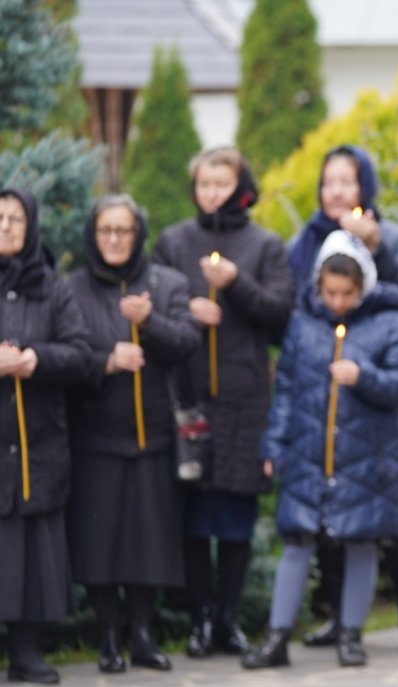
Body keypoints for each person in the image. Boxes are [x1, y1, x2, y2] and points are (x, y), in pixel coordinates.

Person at [245, 232, 398, 669]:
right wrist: (275, 444)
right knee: (297, 539)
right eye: (331, 293)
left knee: (361, 541)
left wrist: (364, 376)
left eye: (349, 293)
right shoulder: (303, 324)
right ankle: (278, 636)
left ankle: (351, 634)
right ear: (318, 286)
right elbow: (284, 388)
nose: (339, 302)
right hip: (308, 452)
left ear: (365, 287)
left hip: (368, 455)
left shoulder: (392, 323)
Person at [287, 145, 398, 654]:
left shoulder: (395, 236)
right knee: (329, 515)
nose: (337, 192)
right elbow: (297, 310)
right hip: (323, 395)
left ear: (364, 188)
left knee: (393, 513)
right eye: (329, 183)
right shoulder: (305, 242)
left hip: (378, 396)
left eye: (347, 182)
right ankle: (335, 615)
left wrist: (378, 247)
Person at [153, 145, 295, 658]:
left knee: (235, 511)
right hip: (187, 395)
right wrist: (189, 307)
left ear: (240, 186)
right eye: (204, 183)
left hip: (243, 396)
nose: (212, 192)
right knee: (193, 512)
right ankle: (198, 620)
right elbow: (151, 309)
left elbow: (281, 316)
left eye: (222, 183)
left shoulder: (264, 244)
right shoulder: (173, 242)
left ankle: (229, 621)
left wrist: (235, 284)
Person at [67, 195, 201, 674]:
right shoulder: (74, 289)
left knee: (150, 539)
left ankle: (143, 634)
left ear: (139, 234)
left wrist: (149, 324)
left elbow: (187, 341)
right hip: (97, 436)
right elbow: (66, 355)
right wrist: (107, 361)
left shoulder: (168, 284)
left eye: (124, 231)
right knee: (99, 539)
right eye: (106, 231)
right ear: (93, 235)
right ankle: (107, 637)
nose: (115, 240)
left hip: (155, 435)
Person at [0, 189, 92, 685]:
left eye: (16, 219)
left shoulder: (53, 289)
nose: (8, 226)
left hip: (37, 440)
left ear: (31, 228)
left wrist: (33, 360)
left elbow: (80, 354)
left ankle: (25, 649)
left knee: (31, 546)